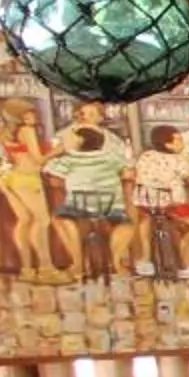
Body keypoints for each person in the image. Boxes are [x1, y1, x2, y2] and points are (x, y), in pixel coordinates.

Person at [0, 97, 71, 284]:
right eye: (28, 114)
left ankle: (27, 269)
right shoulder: (27, 131)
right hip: (28, 180)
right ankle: (46, 268)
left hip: (12, 178)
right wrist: (59, 150)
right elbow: (38, 160)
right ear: (19, 117)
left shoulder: (3, 132)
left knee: (25, 221)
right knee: (42, 221)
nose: (34, 116)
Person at [44, 118, 131, 280]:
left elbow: (53, 178)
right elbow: (128, 173)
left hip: (79, 206)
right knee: (126, 225)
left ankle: (78, 264)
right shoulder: (112, 157)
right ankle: (116, 262)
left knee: (59, 219)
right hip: (110, 205)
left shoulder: (70, 158)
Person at [129, 125, 189, 281]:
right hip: (172, 205)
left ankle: (145, 261)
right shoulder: (178, 160)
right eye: (178, 140)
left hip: (146, 205)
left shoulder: (145, 156)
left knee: (145, 221)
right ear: (168, 145)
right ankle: (184, 265)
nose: (182, 143)